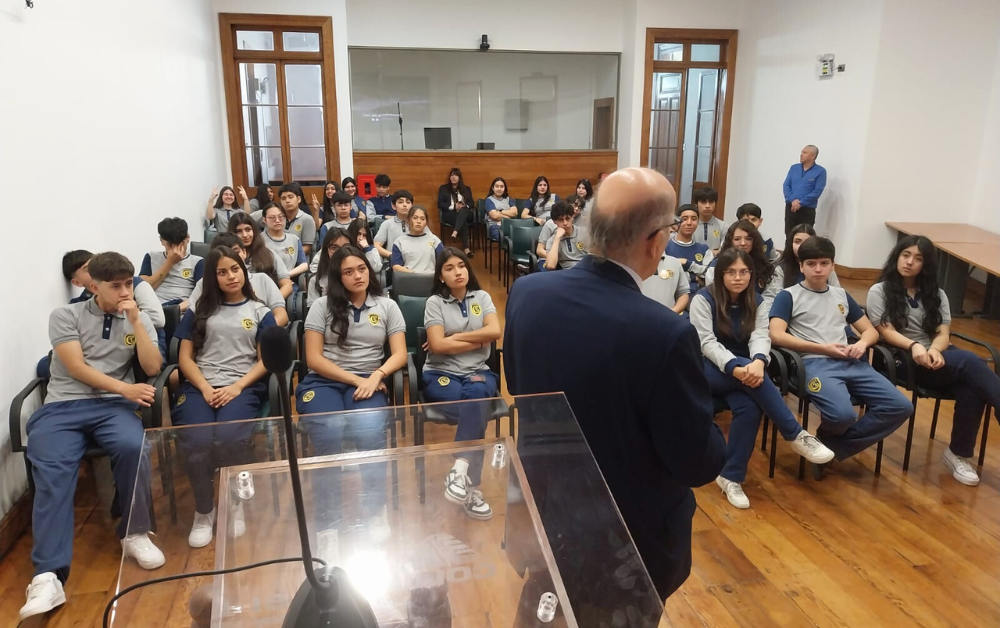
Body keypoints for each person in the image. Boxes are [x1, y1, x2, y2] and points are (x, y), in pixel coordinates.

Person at [504, 167, 726, 600]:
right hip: (625, 540)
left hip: (544, 510)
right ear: (657, 240)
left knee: (544, 610)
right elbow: (697, 462)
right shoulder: (665, 333)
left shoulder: (528, 292)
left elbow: (517, 383)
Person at [19, 252, 165, 621]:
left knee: (134, 445)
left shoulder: (137, 316)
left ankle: (134, 532)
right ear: (93, 286)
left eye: (128, 284)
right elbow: (76, 367)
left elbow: (151, 367)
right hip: (63, 408)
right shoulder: (65, 315)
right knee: (52, 472)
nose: (123, 291)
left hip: (112, 409)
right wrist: (127, 390)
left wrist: (136, 320)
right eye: (115, 286)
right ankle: (48, 575)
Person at [690, 248, 833, 509]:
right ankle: (795, 434)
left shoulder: (757, 300)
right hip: (706, 369)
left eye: (744, 272)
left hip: (744, 372)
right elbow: (705, 342)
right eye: (731, 272)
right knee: (749, 379)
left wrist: (758, 361)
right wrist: (737, 366)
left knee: (749, 407)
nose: (738, 278)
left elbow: (760, 336)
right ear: (720, 274)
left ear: (751, 274)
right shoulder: (703, 299)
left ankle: (730, 476)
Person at [295, 245, 407, 546]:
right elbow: (314, 360)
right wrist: (359, 379)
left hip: (370, 382)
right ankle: (327, 524)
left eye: (361, 269)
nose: (357, 275)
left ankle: (374, 510)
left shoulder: (386, 306)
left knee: (369, 430)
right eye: (348, 271)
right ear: (337, 277)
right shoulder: (321, 306)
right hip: (323, 382)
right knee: (328, 431)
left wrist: (377, 375)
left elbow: (399, 355)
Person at [868, 235, 1000, 487]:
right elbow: (886, 331)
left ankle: (958, 454)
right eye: (905, 255)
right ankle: (959, 453)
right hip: (902, 358)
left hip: (938, 358)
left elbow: (942, 333)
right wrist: (915, 346)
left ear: (926, 265)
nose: (909, 262)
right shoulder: (879, 290)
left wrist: (936, 351)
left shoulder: (936, 294)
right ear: (897, 256)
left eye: (918, 259)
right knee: (974, 364)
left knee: (971, 386)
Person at [768, 236, 912, 468]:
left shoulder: (841, 295)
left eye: (824, 263)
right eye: (811, 264)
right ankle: (828, 446)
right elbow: (776, 335)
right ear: (801, 266)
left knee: (900, 406)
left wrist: (862, 344)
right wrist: (822, 348)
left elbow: (871, 331)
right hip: (814, 364)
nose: (818, 269)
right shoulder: (789, 296)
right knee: (843, 415)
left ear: (832, 265)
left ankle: (830, 447)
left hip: (852, 362)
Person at [172, 247, 276, 547]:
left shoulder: (259, 312)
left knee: (230, 438)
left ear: (244, 271)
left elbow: (264, 361)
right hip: (199, 386)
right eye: (222, 272)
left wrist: (236, 387)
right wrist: (205, 387)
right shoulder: (199, 311)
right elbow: (185, 359)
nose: (231, 276)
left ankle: (234, 504)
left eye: (235, 269)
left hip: (241, 386)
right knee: (197, 441)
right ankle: (204, 510)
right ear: (212, 278)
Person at [423, 248, 502, 520]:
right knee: (475, 409)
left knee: (476, 396)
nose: (458, 272)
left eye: (461, 266)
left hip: (477, 371)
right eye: (449, 268)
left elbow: (495, 331)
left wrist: (454, 337)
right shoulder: (434, 302)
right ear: (441, 276)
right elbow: (436, 345)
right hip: (440, 373)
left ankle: (460, 469)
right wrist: (478, 341)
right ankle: (472, 490)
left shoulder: (482, 297)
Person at [64, 250, 168, 361]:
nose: (125, 293)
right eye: (88, 269)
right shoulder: (74, 308)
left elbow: (158, 320)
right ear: (78, 283)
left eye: (128, 284)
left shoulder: (136, 285)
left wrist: (135, 319)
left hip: (144, 338)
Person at [189, 233, 288, 327]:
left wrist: (260, 333)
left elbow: (282, 316)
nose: (229, 257)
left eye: (236, 252)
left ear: (244, 252)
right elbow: (191, 318)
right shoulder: (204, 283)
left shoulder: (262, 279)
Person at [763, 224, 840, 310]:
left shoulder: (826, 268)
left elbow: (837, 295)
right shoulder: (780, 268)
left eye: (807, 241)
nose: (801, 246)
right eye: (797, 241)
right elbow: (772, 298)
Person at [140, 217, 204, 311]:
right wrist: (169, 262)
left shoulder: (198, 262)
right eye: (170, 245)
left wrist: (176, 309)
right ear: (161, 241)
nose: (175, 250)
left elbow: (202, 294)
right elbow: (143, 290)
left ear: (188, 238)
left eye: (180, 244)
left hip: (181, 309)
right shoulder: (151, 257)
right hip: (154, 308)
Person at [227, 212, 293, 298]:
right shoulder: (226, 258)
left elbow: (287, 285)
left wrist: (274, 302)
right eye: (239, 231)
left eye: (248, 229)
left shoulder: (269, 254)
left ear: (254, 231)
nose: (245, 235)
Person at [707, 221, 775, 296]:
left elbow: (770, 295)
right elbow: (712, 294)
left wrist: (759, 306)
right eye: (737, 239)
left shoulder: (764, 265)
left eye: (748, 239)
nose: (743, 243)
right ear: (730, 241)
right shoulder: (716, 265)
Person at [252, 184, 317, 257]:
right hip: (269, 258)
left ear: (298, 199)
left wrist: (285, 255)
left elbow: (307, 248)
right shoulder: (271, 215)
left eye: (290, 197)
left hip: (296, 261)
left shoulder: (307, 219)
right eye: (283, 198)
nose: (287, 201)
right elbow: (246, 219)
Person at [782, 144, 826, 243]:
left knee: (805, 236)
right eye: (801, 152)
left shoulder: (820, 171)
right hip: (791, 207)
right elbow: (786, 185)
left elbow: (817, 191)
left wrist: (801, 203)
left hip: (807, 209)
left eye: (804, 153)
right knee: (789, 234)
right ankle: (789, 257)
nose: (801, 154)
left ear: (813, 156)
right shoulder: (794, 168)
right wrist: (793, 200)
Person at [666, 204, 714, 295]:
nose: (689, 223)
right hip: (669, 295)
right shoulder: (665, 247)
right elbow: (665, 274)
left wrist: (687, 263)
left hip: (696, 299)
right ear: (676, 222)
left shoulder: (704, 249)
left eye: (694, 219)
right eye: (684, 219)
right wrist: (693, 277)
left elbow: (709, 275)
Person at [261, 203, 308, 281]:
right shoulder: (259, 239)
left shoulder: (294, 239)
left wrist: (285, 276)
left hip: (288, 281)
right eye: (272, 218)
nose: (277, 220)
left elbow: (304, 264)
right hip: (266, 282)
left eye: (281, 217)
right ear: (264, 220)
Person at [307, 228, 352, 308]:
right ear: (326, 251)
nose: (341, 252)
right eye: (334, 248)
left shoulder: (360, 277)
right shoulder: (315, 281)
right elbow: (314, 314)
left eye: (346, 247)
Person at [391, 206, 444, 274]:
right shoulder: (399, 242)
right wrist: (414, 275)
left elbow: (444, 262)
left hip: (431, 279)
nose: (419, 221)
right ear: (408, 220)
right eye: (415, 218)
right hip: (408, 279)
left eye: (422, 219)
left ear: (426, 222)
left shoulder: (434, 240)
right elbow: (396, 266)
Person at [437, 167, 474, 256]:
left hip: (466, 212)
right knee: (463, 220)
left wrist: (465, 206)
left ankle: (455, 231)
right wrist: (454, 206)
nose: (454, 177)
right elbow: (440, 204)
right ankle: (466, 249)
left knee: (464, 212)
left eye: (456, 175)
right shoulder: (443, 188)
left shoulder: (466, 189)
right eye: (452, 175)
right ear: (449, 177)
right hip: (451, 214)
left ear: (459, 177)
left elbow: (471, 202)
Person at [641, 248, 690, 314]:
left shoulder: (674, 263)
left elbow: (683, 294)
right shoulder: (632, 262)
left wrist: (670, 314)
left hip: (668, 321)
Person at [542, 200, 587, 271]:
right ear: (554, 221)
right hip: (567, 273)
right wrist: (557, 238)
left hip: (585, 270)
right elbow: (551, 265)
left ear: (572, 217)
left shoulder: (585, 232)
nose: (565, 223)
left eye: (567, 219)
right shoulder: (552, 241)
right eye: (560, 220)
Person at [374, 190, 412, 260]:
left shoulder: (417, 223)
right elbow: (376, 245)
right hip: (394, 262)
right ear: (394, 206)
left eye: (408, 202)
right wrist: (391, 255)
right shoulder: (387, 224)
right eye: (400, 202)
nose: (405, 205)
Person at [347, 217, 384, 285]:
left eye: (364, 235)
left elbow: (376, 268)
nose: (361, 238)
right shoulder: (345, 248)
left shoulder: (371, 249)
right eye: (358, 234)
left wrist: (367, 249)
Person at [692, 187, 726, 253]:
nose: (707, 206)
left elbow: (724, 250)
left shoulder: (723, 226)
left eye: (711, 202)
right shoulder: (690, 225)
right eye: (703, 202)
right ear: (696, 204)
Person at [485, 176, 517, 242]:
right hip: (496, 227)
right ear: (493, 188)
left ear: (504, 188)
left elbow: (515, 212)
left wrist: (501, 211)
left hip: (510, 226)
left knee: (519, 239)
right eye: (497, 186)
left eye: (502, 187)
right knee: (508, 241)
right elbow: (494, 216)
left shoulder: (508, 199)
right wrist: (508, 215)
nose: (499, 189)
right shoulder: (489, 200)